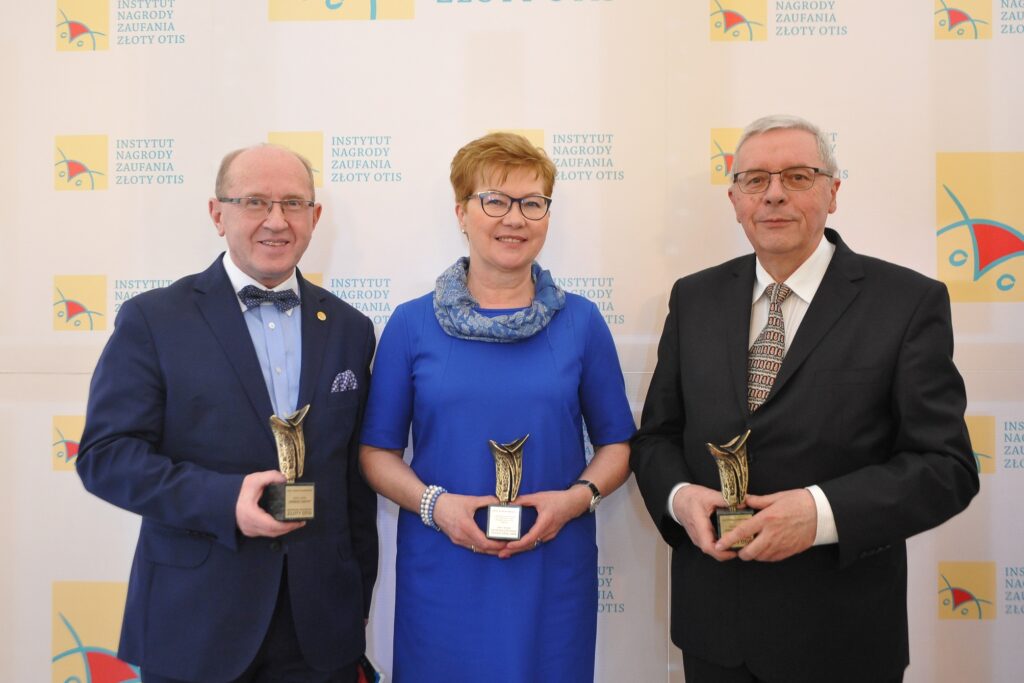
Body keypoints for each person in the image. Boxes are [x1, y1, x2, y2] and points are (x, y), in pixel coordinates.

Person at [630, 115, 979, 683]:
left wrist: (818, 514)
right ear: (735, 198)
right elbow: (656, 439)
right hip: (716, 632)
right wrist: (678, 497)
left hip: (842, 638)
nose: (773, 194)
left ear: (832, 193)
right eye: (755, 179)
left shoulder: (907, 302)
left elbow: (946, 468)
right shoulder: (695, 297)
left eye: (797, 176)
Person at [76, 144, 378, 683]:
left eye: (293, 203)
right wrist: (223, 501)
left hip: (320, 630)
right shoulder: (154, 319)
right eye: (254, 202)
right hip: (196, 621)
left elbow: (354, 486)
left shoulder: (351, 329)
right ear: (218, 214)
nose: (276, 221)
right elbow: (105, 457)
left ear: (316, 217)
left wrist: (355, 603)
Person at [359, 132, 635, 682]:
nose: (515, 218)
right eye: (496, 201)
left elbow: (618, 446)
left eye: (533, 203)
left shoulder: (581, 322)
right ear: (461, 211)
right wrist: (437, 506)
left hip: (551, 562)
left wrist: (576, 501)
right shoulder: (412, 324)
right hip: (443, 566)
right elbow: (376, 453)